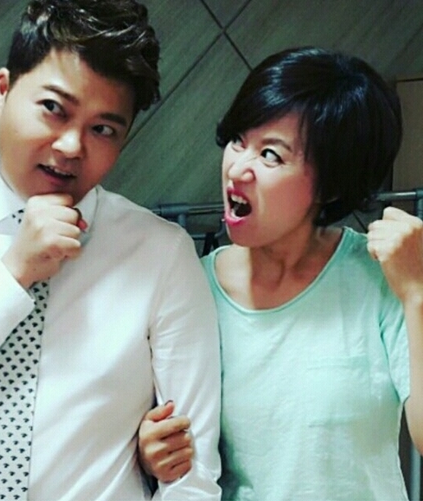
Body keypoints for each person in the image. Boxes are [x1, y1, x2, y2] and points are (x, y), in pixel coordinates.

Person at [0, 1, 222, 500]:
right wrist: (14, 273)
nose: (72, 146)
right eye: (54, 109)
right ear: (2, 91)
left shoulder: (161, 254)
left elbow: (191, 473)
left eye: (103, 129)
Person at [138, 46, 423, 500]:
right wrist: (154, 453)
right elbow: (185, 447)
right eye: (238, 140)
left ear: (330, 185)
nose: (238, 168)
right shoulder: (192, 287)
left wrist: (417, 294)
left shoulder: (377, 277)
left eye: (270, 155)